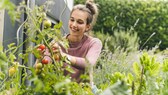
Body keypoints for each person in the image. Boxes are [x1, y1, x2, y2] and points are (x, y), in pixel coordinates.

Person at [52, 0, 102, 83]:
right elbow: (41, 66)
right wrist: (41, 59)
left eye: (80, 22)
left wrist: (63, 56)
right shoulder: (57, 43)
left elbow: (88, 64)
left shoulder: (93, 43)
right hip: (61, 90)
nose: (74, 25)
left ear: (87, 27)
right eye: (72, 20)